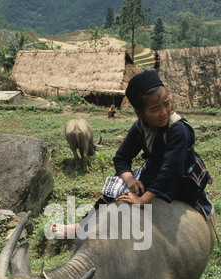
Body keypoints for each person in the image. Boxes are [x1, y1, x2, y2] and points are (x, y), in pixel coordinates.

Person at [52, 69, 212, 238]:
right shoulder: (139, 128)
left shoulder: (177, 129)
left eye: (167, 103)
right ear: (139, 113)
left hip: (180, 175)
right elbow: (121, 157)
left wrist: (143, 200)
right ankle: (81, 226)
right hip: (154, 169)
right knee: (115, 187)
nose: (164, 112)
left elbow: (171, 172)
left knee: (146, 187)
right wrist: (130, 180)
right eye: (155, 108)